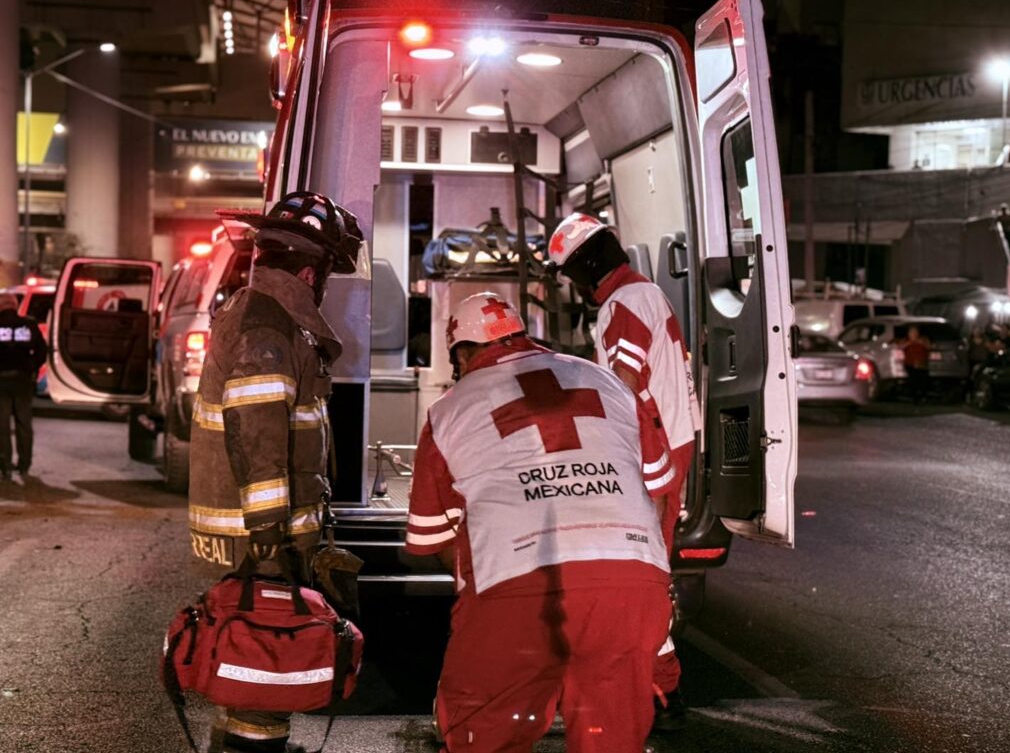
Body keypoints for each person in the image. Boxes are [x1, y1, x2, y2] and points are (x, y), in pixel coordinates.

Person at [406, 292, 677, 753]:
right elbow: (660, 487)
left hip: (519, 588)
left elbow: (434, 535)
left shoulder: (449, 409)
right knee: (610, 737)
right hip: (631, 579)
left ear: (463, 354)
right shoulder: (606, 382)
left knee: (485, 732)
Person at [188, 191, 363, 753]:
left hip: (263, 527)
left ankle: (245, 742)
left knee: (253, 649)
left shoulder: (267, 313)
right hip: (262, 533)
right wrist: (270, 531)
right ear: (310, 272)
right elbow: (257, 427)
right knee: (266, 651)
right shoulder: (269, 324)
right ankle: (253, 748)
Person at [547, 212, 700, 724]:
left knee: (640, 574)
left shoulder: (622, 304)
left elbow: (623, 388)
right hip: (669, 446)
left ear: (584, 268)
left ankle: (660, 689)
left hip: (650, 456)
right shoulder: (646, 293)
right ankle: (655, 683)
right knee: (644, 571)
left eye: (571, 274)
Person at [0, 292, 46, 481]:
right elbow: (42, 351)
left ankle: (5, 467)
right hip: (22, 381)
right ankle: (24, 465)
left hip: (0, 382)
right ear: (15, 306)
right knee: (24, 424)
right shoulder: (29, 324)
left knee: (2, 427)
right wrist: (31, 367)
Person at [900, 325, 931, 404]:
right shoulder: (905, 340)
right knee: (913, 380)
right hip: (910, 364)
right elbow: (901, 346)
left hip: (922, 364)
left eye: (915, 332)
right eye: (911, 332)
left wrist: (920, 342)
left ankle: (923, 396)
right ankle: (915, 397)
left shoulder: (923, 339)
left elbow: (928, 346)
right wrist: (910, 342)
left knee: (923, 380)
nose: (913, 334)